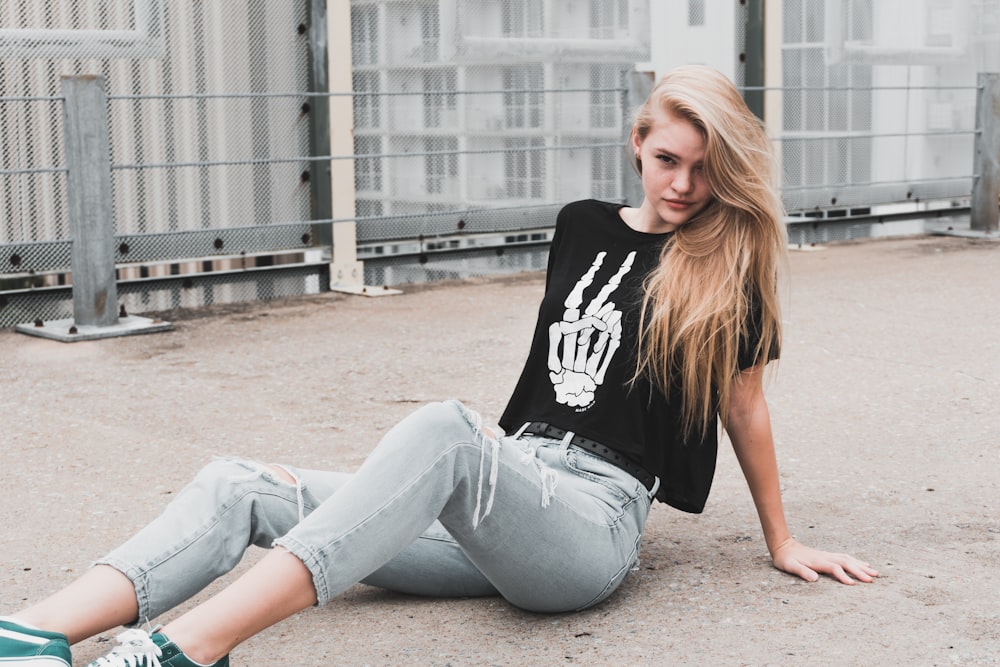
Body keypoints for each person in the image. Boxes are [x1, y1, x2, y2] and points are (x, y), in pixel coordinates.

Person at [0, 65, 878, 667]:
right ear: (637, 145)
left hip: (590, 524)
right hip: (508, 484)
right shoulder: (579, 224)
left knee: (449, 431)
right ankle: (33, 634)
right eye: (667, 161)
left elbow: (746, 407)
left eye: (704, 169)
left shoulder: (726, 267)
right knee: (237, 483)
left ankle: (182, 646)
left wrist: (783, 539)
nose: (683, 185)